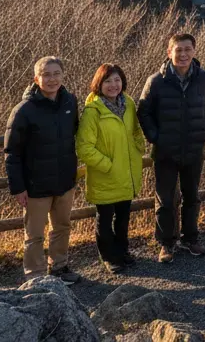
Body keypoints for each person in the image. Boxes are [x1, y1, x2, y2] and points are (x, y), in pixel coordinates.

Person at [138, 32, 205, 263]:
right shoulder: (156, 80)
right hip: (165, 150)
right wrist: (155, 137)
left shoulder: (204, 78)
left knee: (192, 196)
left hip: (194, 148)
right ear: (169, 52)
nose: (183, 54)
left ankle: (190, 238)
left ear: (194, 51)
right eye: (178, 50)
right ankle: (166, 243)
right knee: (165, 199)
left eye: (187, 49)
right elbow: (143, 111)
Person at [4, 56, 82, 282]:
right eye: (46, 74)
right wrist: (18, 188)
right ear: (36, 78)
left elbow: (74, 135)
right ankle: (36, 277)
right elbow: (12, 152)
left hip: (64, 180)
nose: (52, 79)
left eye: (56, 73)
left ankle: (59, 267)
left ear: (63, 75)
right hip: (35, 184)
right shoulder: (24, 110)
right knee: (34, 235)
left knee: (62, 227)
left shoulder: (70, 102)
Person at [76, 63, 146, 272]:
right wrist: (107, 164)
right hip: (105, 175)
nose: (113, 85)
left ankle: (122, 251)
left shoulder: (129, 104)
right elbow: (83, 147)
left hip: (127, 172)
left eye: (117, 80)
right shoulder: (93, 111)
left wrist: (138, 147)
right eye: (108, 81)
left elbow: (135, 130)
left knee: (123, 216)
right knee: (105, 219)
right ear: (99, 84)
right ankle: (109, 256)